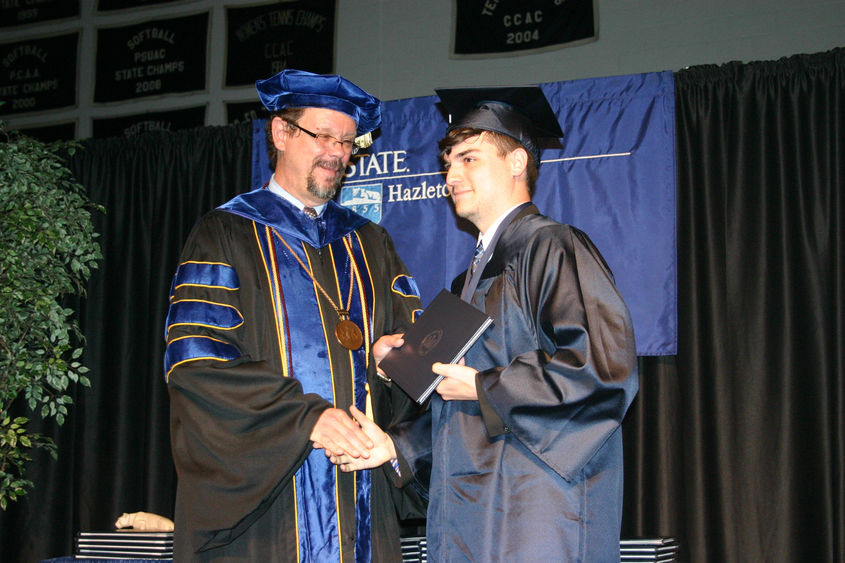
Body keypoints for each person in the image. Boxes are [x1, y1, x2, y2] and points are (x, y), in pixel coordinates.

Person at [332, 86, 640, 562]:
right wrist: (393, 446)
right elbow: (450, 414)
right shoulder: (465, 283)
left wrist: (485, 387)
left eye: (469, 159)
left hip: (537, 515)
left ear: (517, 162)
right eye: (449, 162)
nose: (450, 175)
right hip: (469, 516)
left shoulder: (554, 248)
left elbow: (602, 370)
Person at [164, 69, 425, 561]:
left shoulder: (371, 244)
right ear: (281, 133)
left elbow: (411, 351)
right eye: (323, 135)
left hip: (361, 497)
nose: (338, 154)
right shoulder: (224, 234)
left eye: (349, 142)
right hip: (270, 513)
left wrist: (395, 359)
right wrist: (307, 418)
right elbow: (196, 364)